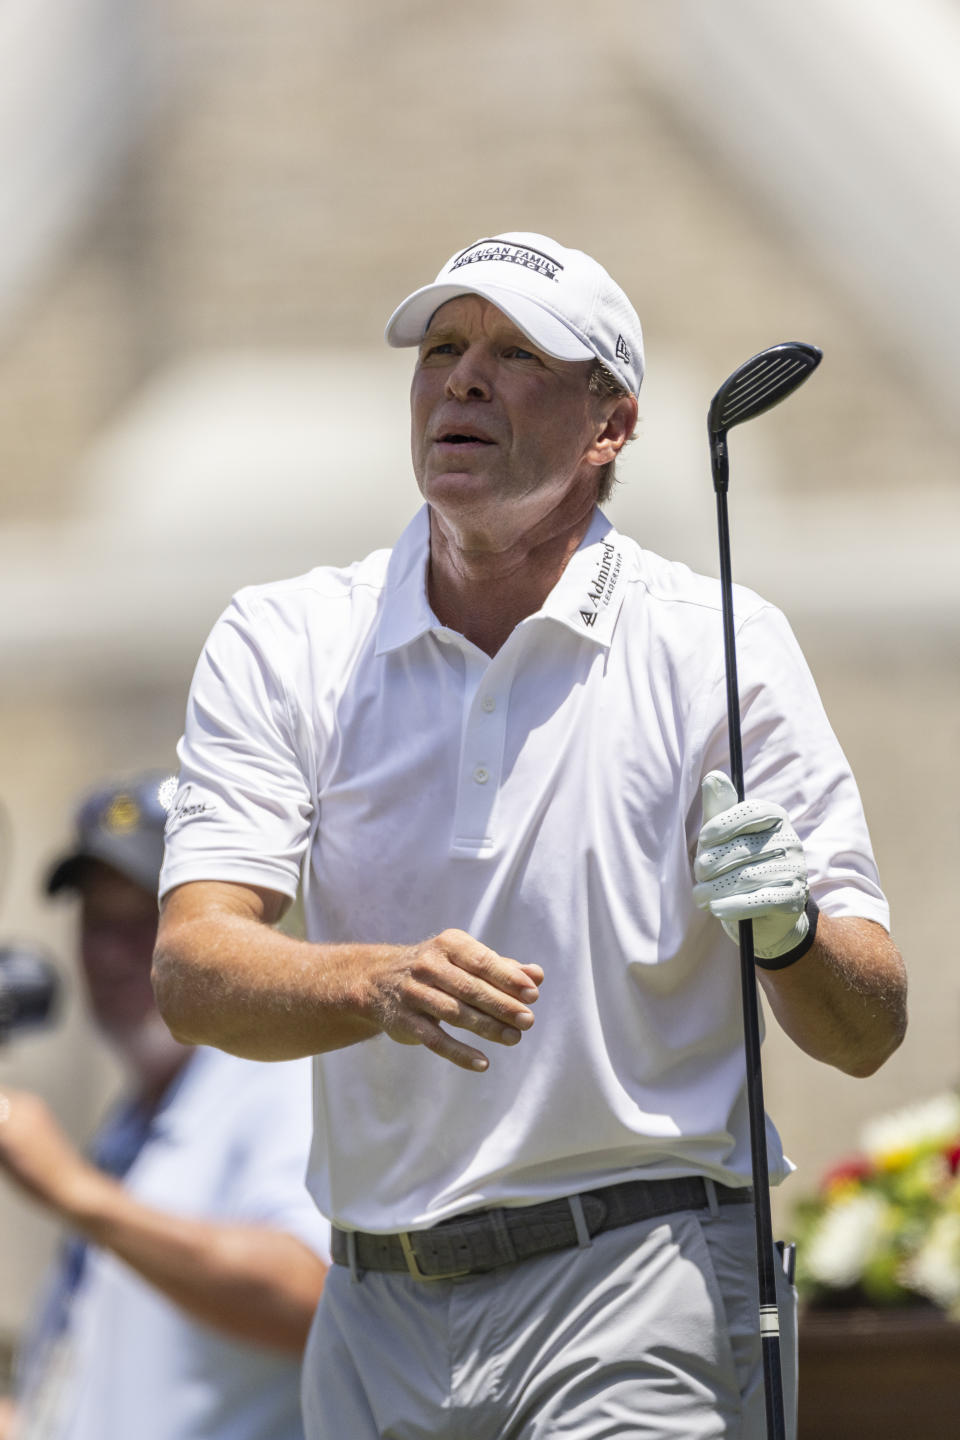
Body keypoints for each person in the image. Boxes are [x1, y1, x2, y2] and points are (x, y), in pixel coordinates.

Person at [152, 232, 907, 1440]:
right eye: (444, 349)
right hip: (371, 1307)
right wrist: (373, 979)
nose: (462, 379)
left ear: (609, 425)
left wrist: (790, 931)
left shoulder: (719, 641)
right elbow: (194, 975)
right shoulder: (284, 637)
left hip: (636, 1277)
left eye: (516, 355)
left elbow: (868, 1028)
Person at [0, 772, 329, 1440]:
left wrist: (73, 1193)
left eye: (144, 922)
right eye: (98, 924)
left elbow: (314, 1299)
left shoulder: (280, 1076)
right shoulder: (137, 1122)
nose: (116, 957)